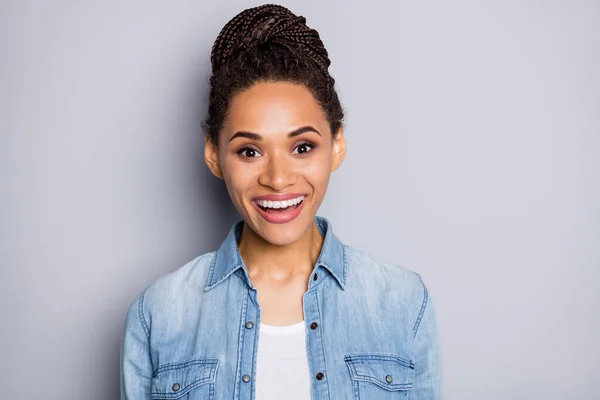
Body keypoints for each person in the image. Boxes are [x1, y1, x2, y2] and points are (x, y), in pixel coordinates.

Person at [121, 4, 441, 399]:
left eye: (302, 147)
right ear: (213, 155)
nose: (277, 178)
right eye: (249, 151)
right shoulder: (159, 313)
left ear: (337, 147)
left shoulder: (403, 303)